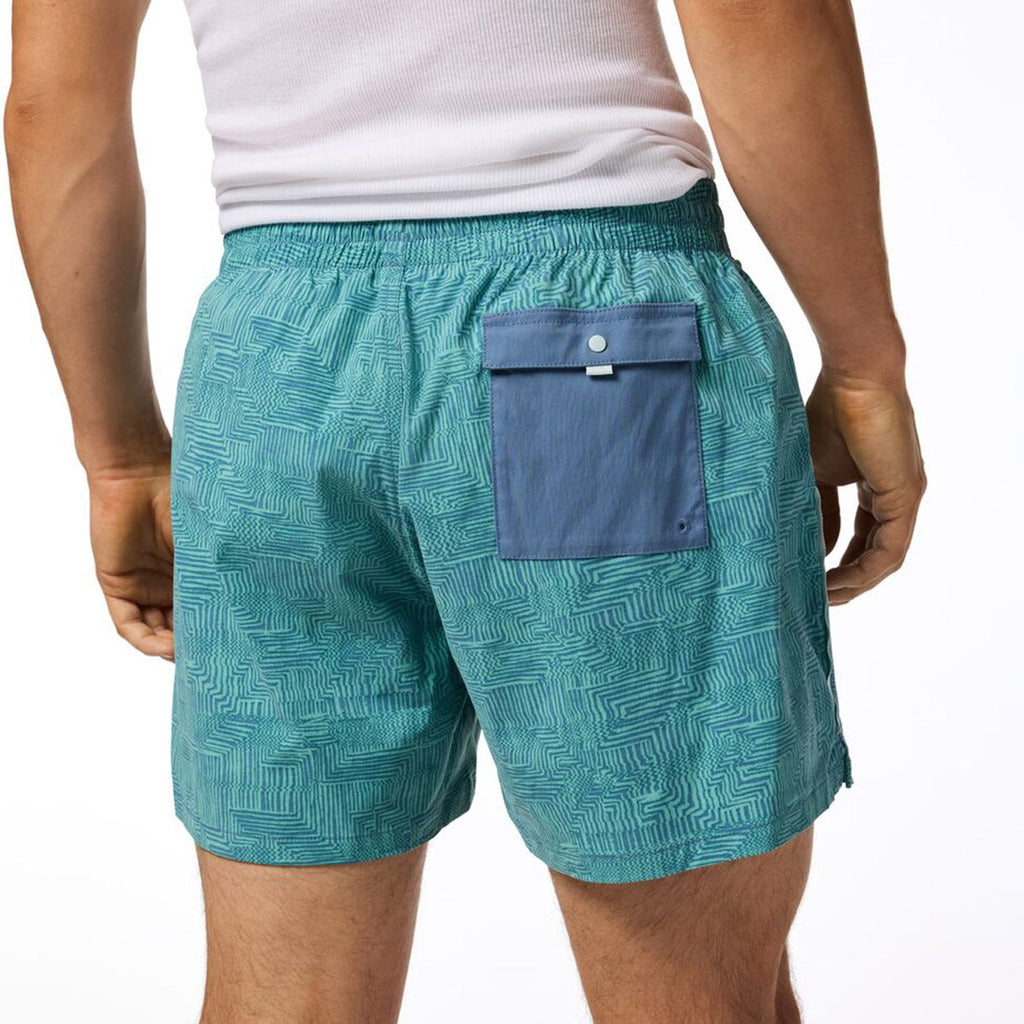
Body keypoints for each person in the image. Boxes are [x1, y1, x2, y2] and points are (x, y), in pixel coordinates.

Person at [5, 0, 925, 1021]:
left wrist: (121, 457)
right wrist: (864, 363)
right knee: (694, 996)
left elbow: (54, 105)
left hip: (277, 365)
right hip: (599, 351)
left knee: (287, 1001)